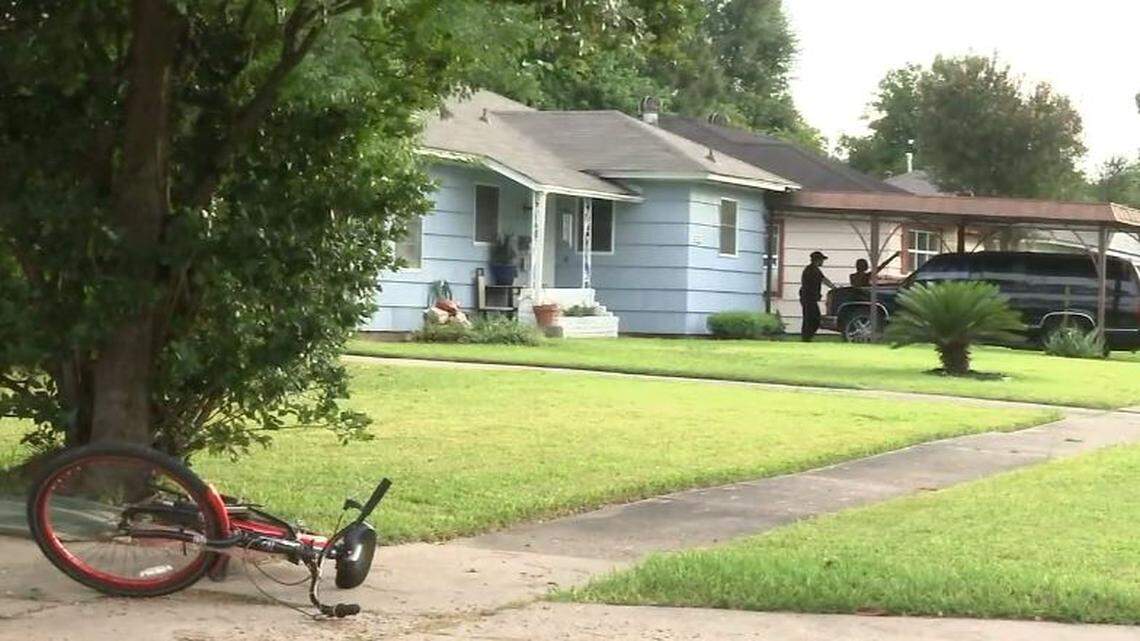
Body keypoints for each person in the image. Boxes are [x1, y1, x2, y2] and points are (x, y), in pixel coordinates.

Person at [799, 250, 834, 342]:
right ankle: (806, 337)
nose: (822, 262)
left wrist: (833, 287)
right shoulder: (811, 270)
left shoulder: (815, 270)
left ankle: (807, 337)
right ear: (817, 260)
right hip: (808, 298)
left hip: (810, 298)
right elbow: (811, 284)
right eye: (821, 260)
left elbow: (824, 280)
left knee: (811, 318)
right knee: (812, 318)